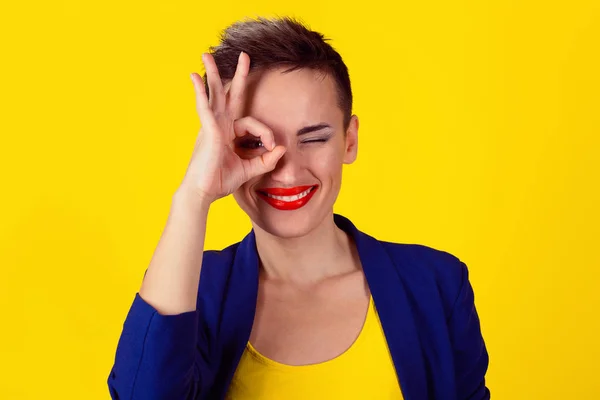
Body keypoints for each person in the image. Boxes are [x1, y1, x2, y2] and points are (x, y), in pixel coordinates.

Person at [107, 16, 490, 400]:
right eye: (254, 142)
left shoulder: (437, 286)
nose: (286, 172)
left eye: (314, 138)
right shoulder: (191, 292)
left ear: (350, 140)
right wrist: (194, 195)